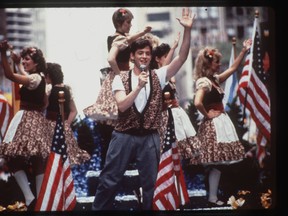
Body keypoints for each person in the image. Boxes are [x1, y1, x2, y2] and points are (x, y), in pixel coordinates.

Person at [91, 8, 195, 210]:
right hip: (123, 136)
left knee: (151, 185)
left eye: (148, 53)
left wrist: (188, 31)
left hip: (149, 136)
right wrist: (138, 86)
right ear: (132, 56)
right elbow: (122, 105)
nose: (145, 56)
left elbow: (181, 57)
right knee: (109, 180)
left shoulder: (159, 75)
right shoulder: (120, 78)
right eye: (141, 53)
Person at [84, 8, 151, 166]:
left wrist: (142, 32)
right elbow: (110, 58)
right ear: (120, 23)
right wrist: (119, 75)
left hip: (119, 76)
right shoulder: (118, 40)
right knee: (122, 115)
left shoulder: (119, 37)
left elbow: (129, 39)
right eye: (128, 22)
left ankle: (121, 159)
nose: (130, 25)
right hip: (119, 77)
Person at [191, 38, 252, 206]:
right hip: (214, 125)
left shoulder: (214, 80)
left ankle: (212, 196)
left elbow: (233, 68)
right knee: (215, 163)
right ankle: (211, 196)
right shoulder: (204, 82)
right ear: (208, 64)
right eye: (216, 62)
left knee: (218, 164)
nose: (219, 65)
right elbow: (197, 102)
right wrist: (207, 115)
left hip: (220, 122)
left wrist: (243, 51)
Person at [0, 40, 50, 210]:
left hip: (27, 120)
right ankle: (37, 199)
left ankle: (30, 198)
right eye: (24, 58)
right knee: (36, 159)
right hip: (33, 120)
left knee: (13, 157)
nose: (25, 61)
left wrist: (3, 55)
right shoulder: (38, 77)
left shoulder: (34, 78)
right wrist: (16, 62)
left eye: (28, 59)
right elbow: (22, 74)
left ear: (36, 63)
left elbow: (11, 76)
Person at [150, 38, 199, 159]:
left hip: (177, 115)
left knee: (180, 155)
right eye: (166, 56)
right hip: (165, 117)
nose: (170, 59)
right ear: (157, 59)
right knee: (168, 154)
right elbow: (165, 69)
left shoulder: (170, 77)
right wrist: (173, 48)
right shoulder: (156, 75)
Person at [44, 62, 91, 165]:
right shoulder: (67, 89)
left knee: (52, 158)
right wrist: (66, 124)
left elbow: (44, 106)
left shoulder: (49, 89)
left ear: (48, 76)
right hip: (64, 126)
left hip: (50, 125)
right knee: (65, 157)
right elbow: (74, 110)